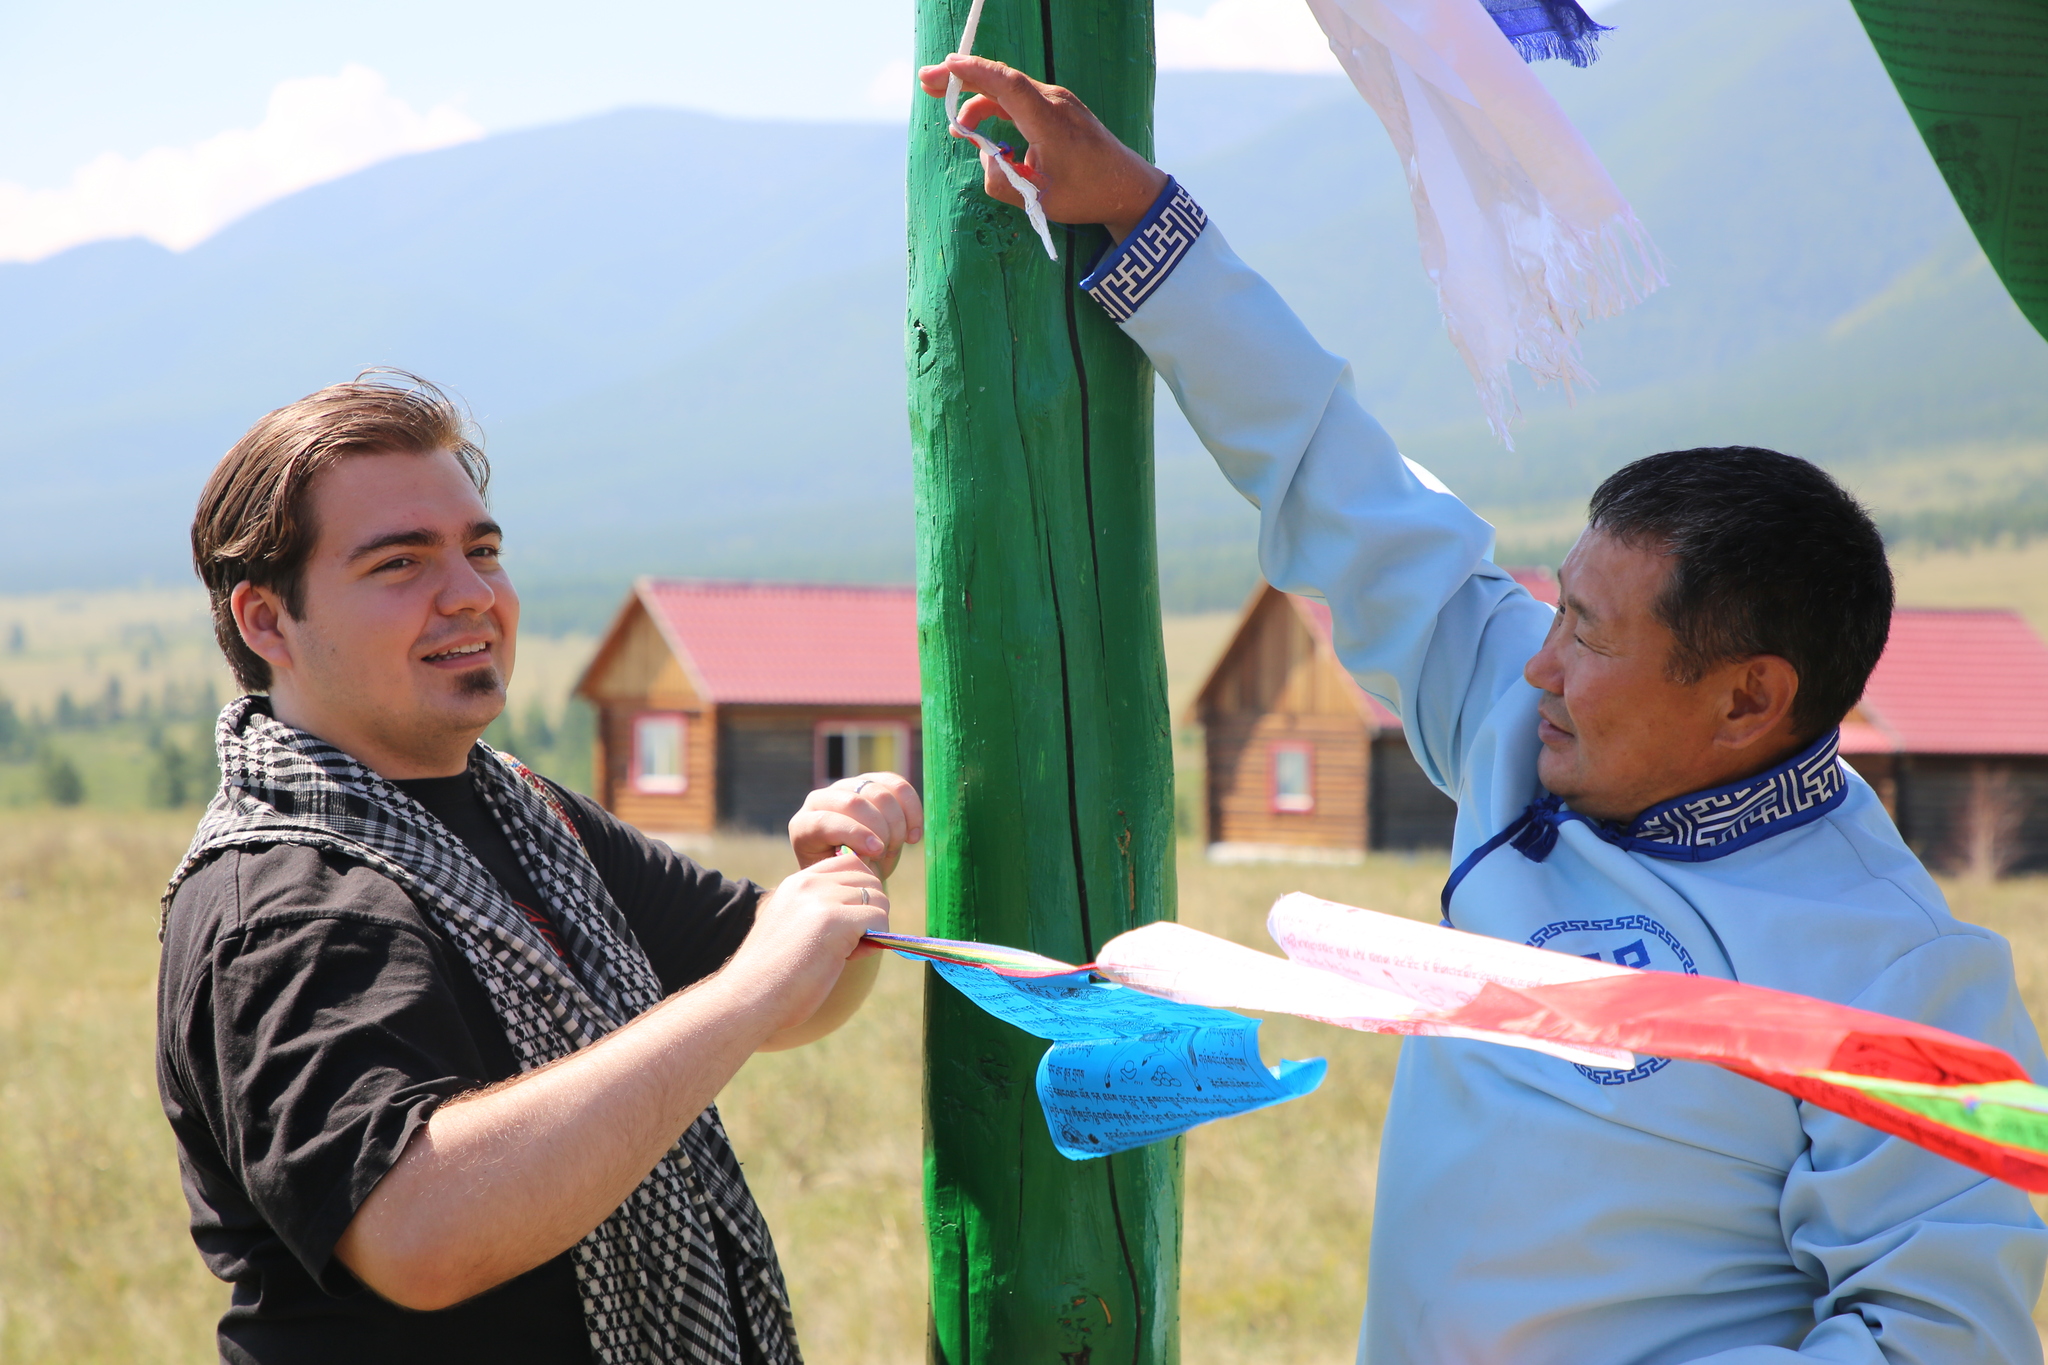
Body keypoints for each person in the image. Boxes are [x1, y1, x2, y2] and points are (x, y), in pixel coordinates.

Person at [918, 55, 2048, 1365]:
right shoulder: (1527, 743)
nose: (1536, 665)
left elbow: (1940, 1341)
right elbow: (1340, 481)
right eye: (1556, 608)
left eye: (1589, 635)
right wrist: (1141, 216)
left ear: (1749, 700)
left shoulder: (1901, 976)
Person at [157, 373, 920, 1365]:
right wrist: (749, 989)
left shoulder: (525, 814)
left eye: (482, 551)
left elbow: (794, 996)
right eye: (399, 563)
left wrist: (835, 880)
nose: (470, 594)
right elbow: (417, 1234)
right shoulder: (289, 896)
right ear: (267, 622)